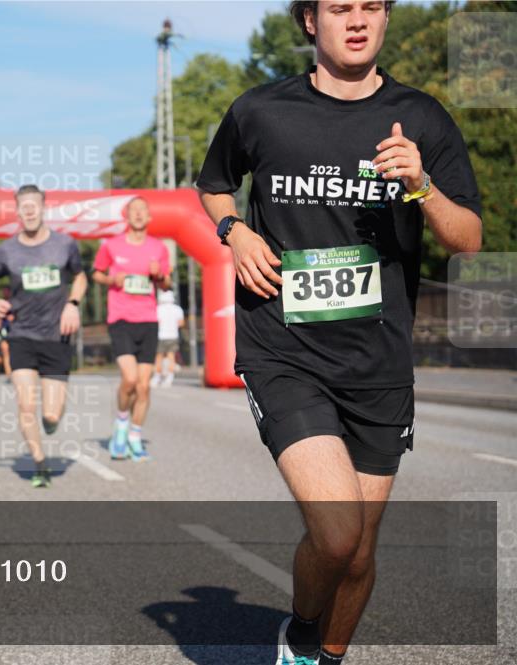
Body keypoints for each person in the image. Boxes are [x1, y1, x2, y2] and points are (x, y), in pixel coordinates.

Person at [197, 2, 482, 663]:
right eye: (340, 8)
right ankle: (300, 627)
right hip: (284, 349)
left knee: (357, 554)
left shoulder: (423, 119)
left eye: (373, 7)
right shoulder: (260, 110)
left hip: (378, 362)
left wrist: (422, 185)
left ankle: (321, 656)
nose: (358, 21)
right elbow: (215, 185)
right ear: (309, 22)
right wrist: (234, 232)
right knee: (336, 533)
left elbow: (467, 238)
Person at [0, 184, 87, 488]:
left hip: (57, 335)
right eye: (23, 206)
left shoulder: (65, 244)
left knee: (51, 414)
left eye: (33, 205)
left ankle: (49, 425)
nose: (29, 211)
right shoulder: (6, 250)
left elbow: (80, 276)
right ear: (18, 212)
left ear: (42, 208)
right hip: (21, 334)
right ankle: (39, 462)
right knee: (26, 405)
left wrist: (73, 305)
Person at [92, 196, 170, 461]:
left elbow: (167, 285)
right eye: (133, 211)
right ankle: (121, 423)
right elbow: (97, 273)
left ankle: (135, 437)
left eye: (143, 210)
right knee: (130, 379)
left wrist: (160, 275)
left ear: (149, 217)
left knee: (145, 387)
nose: (138, 214)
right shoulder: (111, 246)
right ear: (126, 217)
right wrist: (113, 278)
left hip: (148, 320)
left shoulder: (158, 248)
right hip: (121, 319)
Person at [154, 290, 185, 387]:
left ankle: (157, 377)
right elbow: (181, 323)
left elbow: (156, 322)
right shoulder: (178, 309)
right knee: (171, 356)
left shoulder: (158, 309)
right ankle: (169, 378)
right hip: (173, 335)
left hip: (160, 335)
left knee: (158, 357)